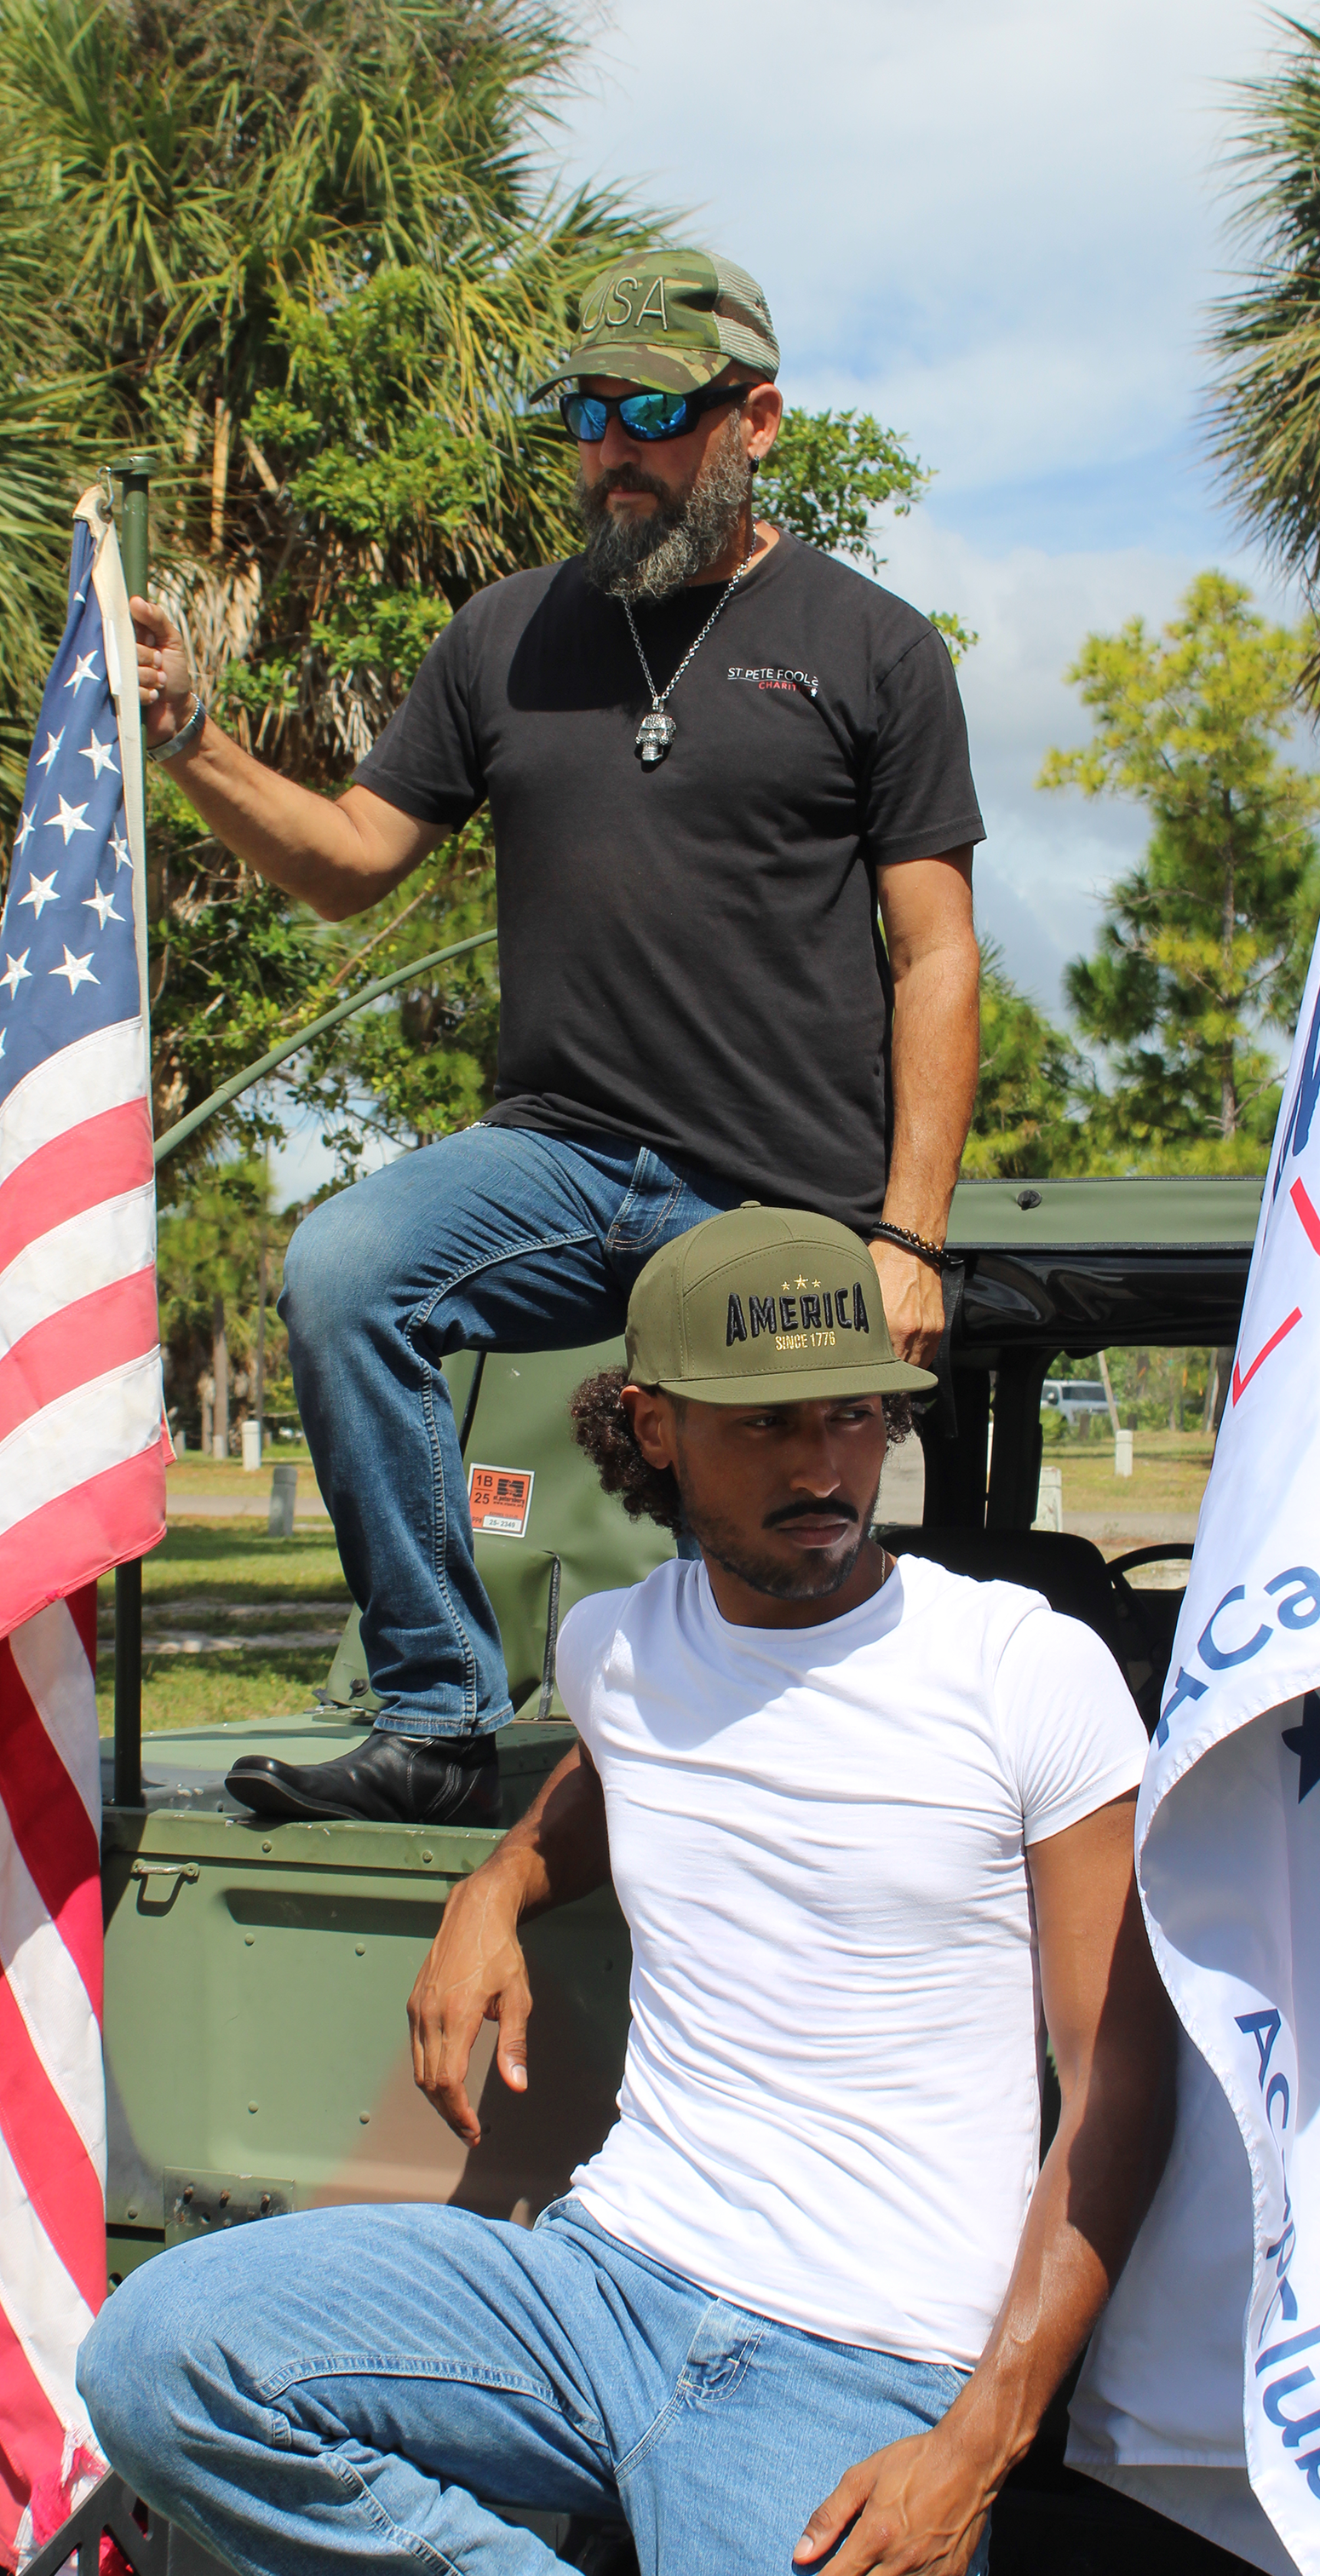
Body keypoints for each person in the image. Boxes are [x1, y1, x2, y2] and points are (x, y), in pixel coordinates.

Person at [77, 1205, 1175, 2576]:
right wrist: (498, 1885)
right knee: (164, 2354)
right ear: (654, 1424)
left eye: (857, 1412)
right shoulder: (618, 1648)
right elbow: (623, 1775)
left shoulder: (1020, 1672)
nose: (828, 1460)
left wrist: (975, 2446)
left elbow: (1122, 2080)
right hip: (605, 2282)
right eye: (771, 1422)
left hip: (854, 2368)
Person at [129, 247, 984, 1826]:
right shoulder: (505, 636)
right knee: (341, 1271)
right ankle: (442, 1712)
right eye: (585, 413)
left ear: (758, 421)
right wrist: (190, 737)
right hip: (562, 1159)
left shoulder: (872, 647)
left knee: (748, 1586)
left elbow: (935, 955)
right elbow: (349, 862)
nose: (612, 449)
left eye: (654, 409)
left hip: (775, 1195)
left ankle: (780, 1798)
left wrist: (907, 1234)